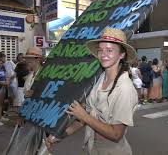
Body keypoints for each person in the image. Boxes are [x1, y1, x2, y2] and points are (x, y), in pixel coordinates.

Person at [45, 27, 138, 155]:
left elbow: (116, 134)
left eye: (110, 50)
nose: (103, 54)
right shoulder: (99, 79)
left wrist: (83, 115)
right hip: (92, 147)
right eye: (100, 50)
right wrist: (60, 136)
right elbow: (85, 119)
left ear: (122, 55)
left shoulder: (124, 89)